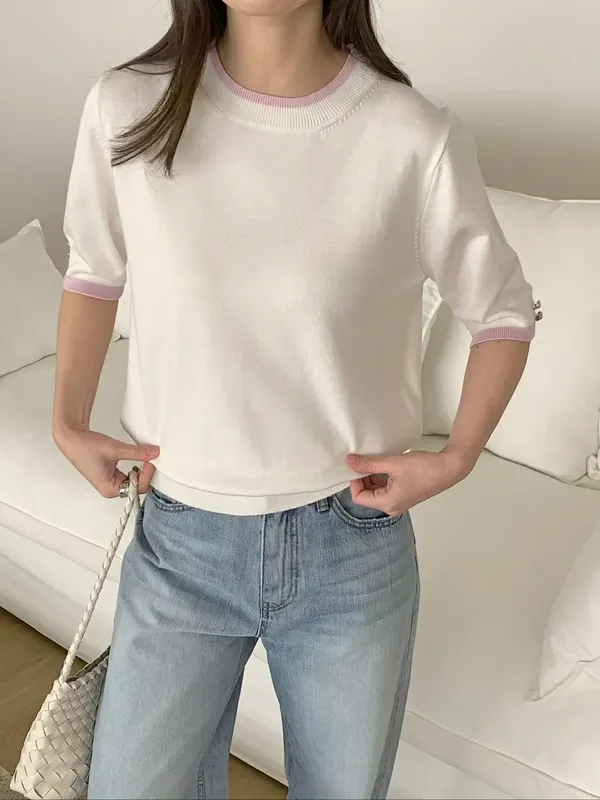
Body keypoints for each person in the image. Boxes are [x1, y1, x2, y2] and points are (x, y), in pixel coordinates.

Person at [53, 0, 537, 797]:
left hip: (350, 547)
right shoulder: (127, 106)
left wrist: (456, 457)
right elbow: (92, 270)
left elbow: (505, 313)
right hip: (181, 539)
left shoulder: (411, 135)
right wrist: (67, 422)